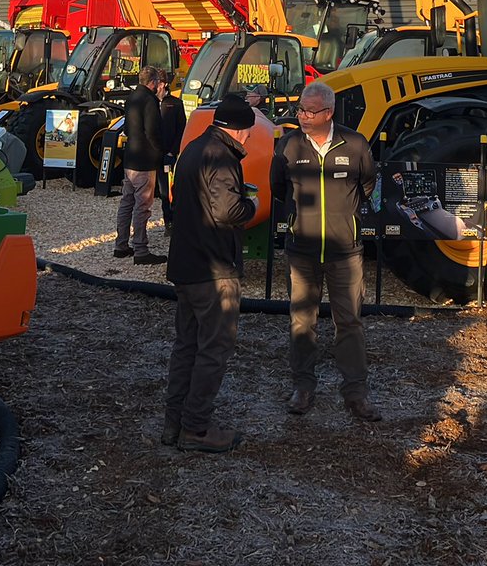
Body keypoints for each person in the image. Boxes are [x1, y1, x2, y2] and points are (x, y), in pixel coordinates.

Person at [270, 80, 381, 421]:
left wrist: (343, 218)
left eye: (310, 111)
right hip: (301, 250)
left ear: (329, 113)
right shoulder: (288, 145)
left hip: (345, 251)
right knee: (302, 320)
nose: (302, 116)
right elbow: (278, 187)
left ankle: (356, 393)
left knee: (349, 322)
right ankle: (303, 387)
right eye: (301, 109)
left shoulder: (355, 144)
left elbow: (367, 183)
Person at [162, 93, 258, 454]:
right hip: (213, 270)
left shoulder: (194, 148)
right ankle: (197, 428)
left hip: (186, 266)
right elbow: (227, 210)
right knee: (214, 348)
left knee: (186, 346)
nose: (249, 139)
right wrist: (253, 204)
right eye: (248, 132)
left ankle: (174, 423)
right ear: (237, 130)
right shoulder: (221, 158)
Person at [114, 65, 167, 267]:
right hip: (145, 160)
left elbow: (127, 127)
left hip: (130, 158)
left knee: (127, 201)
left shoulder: (132, 97)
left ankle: (121, 245)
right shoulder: (149, 100)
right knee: (142, 205)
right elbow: (152, 131)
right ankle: (141, 249)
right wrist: (161, 151)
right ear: (152, 82)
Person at [156, 69, 186, 235]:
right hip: (153, 154)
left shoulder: (175, 104)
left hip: (169, 155)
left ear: (163, 84)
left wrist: (172, 152)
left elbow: (181, 130)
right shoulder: (150, 102)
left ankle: (171, 222)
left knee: (168, 190)